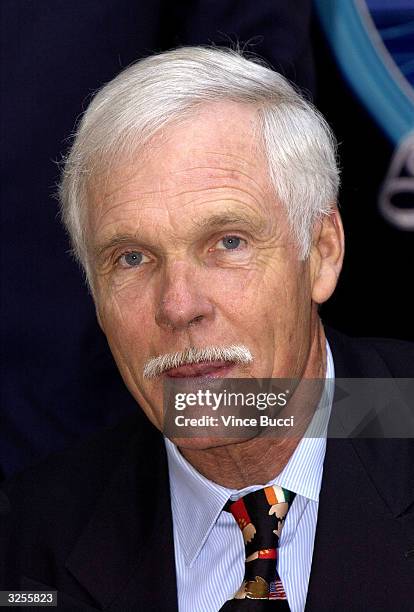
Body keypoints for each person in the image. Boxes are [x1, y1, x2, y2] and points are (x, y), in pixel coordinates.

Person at [1, 47, 413, 612]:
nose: (178, 305)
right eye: (131, 258)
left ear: (321, 252)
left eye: (228, 243)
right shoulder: (26, 541)